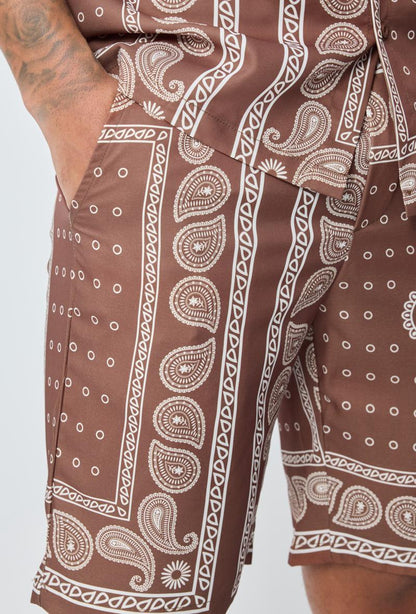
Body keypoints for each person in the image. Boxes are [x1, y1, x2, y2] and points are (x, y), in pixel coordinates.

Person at [1, 1, 416, 612]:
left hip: (403, 120)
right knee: (134, 583)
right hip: (190, 124)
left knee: (392, 556)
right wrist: (65, 100)